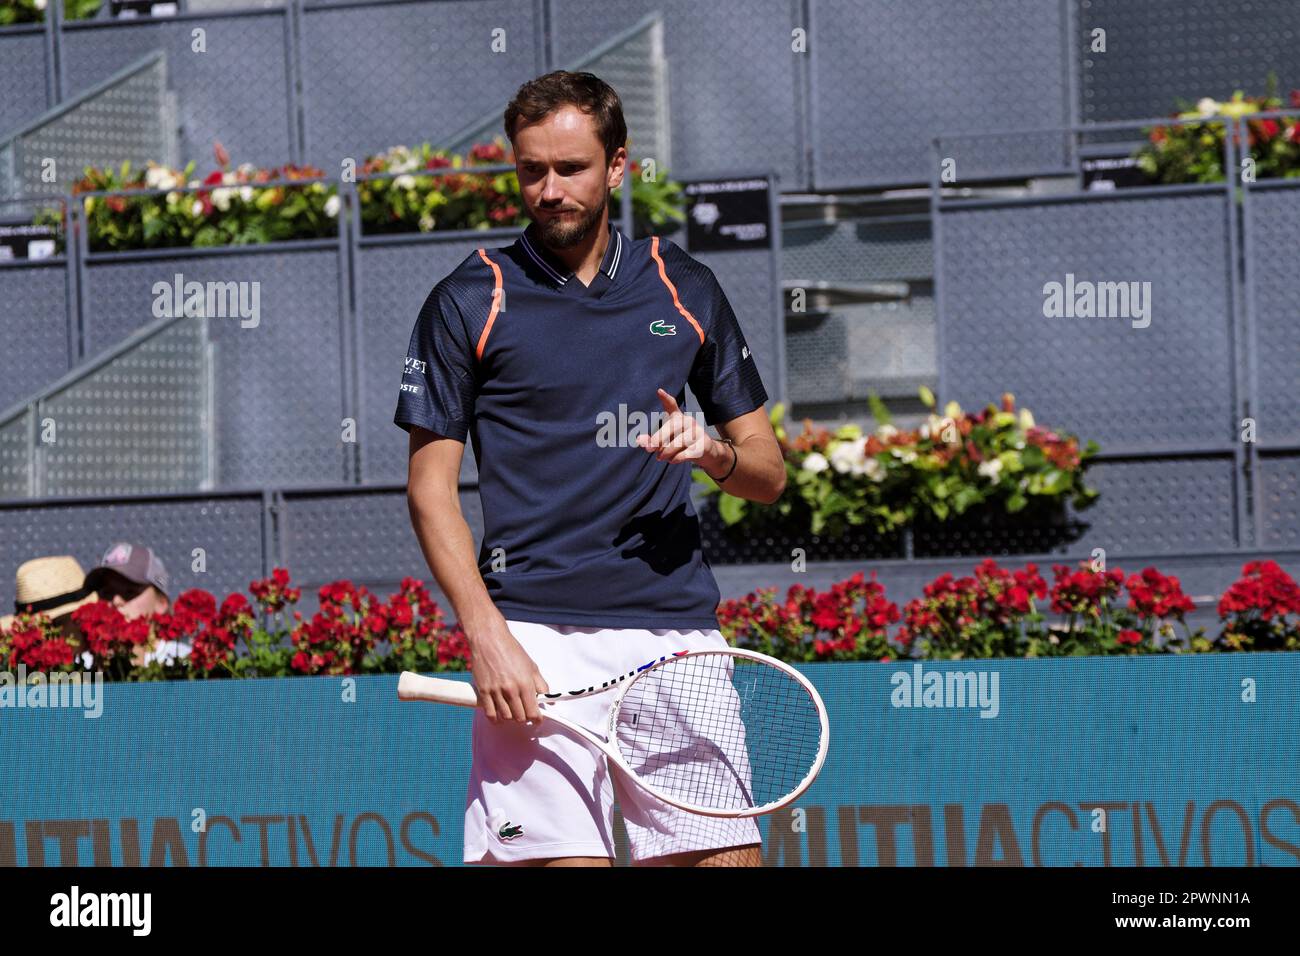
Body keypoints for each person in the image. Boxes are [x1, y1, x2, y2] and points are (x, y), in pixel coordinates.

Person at [395, 71, 786, 867]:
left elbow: (768, 474)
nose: (549, 189)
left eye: (569, 168)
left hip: (677, 637)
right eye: (531, 170)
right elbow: (428, 489)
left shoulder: (686, 285)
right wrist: (486, 635)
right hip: (533, 639)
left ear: (616, 167)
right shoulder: (468, 298)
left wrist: (713, 454)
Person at [83, 542, 189, 667]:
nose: (116, 601)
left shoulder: (184, 662)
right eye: (107, 593)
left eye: (130, 592)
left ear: (161, 603)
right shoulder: (85, 663)